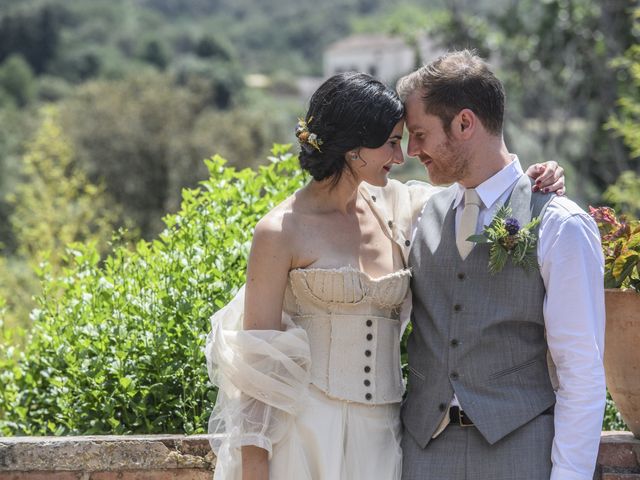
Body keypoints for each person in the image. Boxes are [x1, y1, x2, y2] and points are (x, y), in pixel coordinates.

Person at [204, 71, 564, 480]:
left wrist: (537, 177)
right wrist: (254, 469)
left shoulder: (401, 206)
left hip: (385, 437)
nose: (401, 156)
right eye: (392, 142)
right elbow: (258, 367)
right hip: (304, 435)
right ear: (353, 146)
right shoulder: (280, 230)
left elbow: (483, 191)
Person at [396, 50, 606, 480]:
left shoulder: (558, 224)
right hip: (423, 456)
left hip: (521, 455)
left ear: (465, 123)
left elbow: (580, 373)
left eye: (419, 133)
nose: (411, 150)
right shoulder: (418, 214)